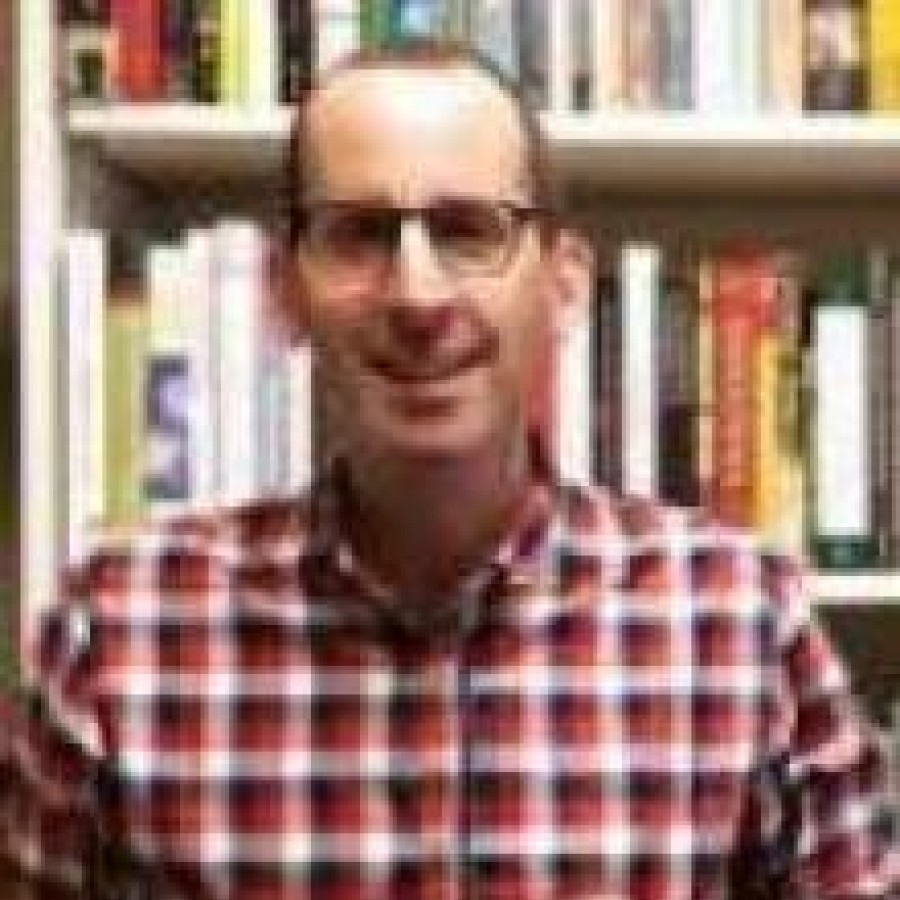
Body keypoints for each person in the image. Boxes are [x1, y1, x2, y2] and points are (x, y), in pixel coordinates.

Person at [1, 38, 897, 900]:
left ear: (565, 285)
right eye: (358, 235)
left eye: (470, 230)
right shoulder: (117, 639)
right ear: (285, 293)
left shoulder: (738, 625)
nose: (418, 295)